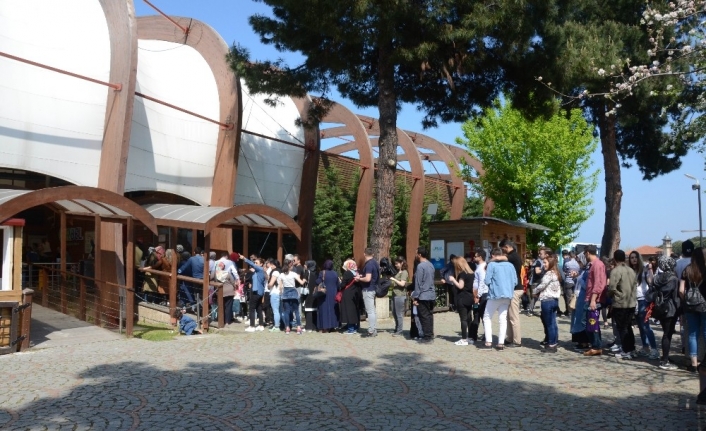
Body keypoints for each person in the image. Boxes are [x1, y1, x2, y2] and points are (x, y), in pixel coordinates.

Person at [480, 248, 517, 351]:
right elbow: (515, 281)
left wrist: (492, 285)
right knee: (503, 318)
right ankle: (501, 343)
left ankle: (488, 342)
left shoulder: (492, 265)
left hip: (495, 294)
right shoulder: (510, 265)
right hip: (507, 294)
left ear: (492, 256)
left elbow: (487, 280)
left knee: (487, 317)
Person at [650, 256, 681, 370]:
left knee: (665, 333)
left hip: (660, 308)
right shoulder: (673, 278)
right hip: (670, 309)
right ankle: (665, 361)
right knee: (667, 335)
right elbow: (675, 297)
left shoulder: (657, 278)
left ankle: (665, 356)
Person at [607, 249, 638, 359]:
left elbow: (612, 287)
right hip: (631, 302)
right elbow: (635, 286)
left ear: (615, 258)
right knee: (628, 327)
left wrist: (612, 295)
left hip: (620, 303)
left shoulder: (616, 271)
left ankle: (626, 350)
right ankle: (631, 348)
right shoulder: (631, 270)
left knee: (622, 328)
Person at [680, 247, 706, 372]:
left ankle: (693, 364)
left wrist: (686, 300)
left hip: (690, 306)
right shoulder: (705, 270)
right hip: (704, 305)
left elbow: (681, 290)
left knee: (692, 334)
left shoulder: (687, 270)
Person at [629, 251, 658, 359]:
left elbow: (651, 281)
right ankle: (645, 347)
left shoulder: (644, 269)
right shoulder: (631, 271)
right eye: (631, 258)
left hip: (643, 300)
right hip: (634, 300)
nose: (634, 259)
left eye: (635, 257)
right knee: (640, 326)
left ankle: (654, 349)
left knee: (646, 326)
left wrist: (650, 269)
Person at [534, 253, 562, 353]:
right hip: (554, 300)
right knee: (553, 323)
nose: (543, 264)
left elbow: (542, 285)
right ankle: (554, 342)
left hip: (547, 300)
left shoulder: (549, 274)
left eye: (545, 263)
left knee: (549, 324)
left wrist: (535, 291)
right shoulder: (556, 273)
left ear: (550, 263)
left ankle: (551, 344)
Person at [583, 245, 607, 357]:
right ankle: (595, 344)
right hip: (591, 298)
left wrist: (593, 300)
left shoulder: (597, 265)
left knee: (592, 323)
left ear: (587, 253)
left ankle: (596, 346)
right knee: (591, 323)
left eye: (584, 254)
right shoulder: (594, 265)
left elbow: (598, 284)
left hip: (594, 300)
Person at [499, 239, 523, 348]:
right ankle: (510, 337)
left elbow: (502, 258)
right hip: (511, 288)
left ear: (507, 246)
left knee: (514, 316)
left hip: (515, 289)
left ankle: (517, 341)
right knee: (509, 316)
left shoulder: (514, 256)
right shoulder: (513, 256)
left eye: (503, 248)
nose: (502, 251)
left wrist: (493, 259)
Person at [447, 256, 475, 346]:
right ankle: (471, 337)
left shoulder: (462, 274)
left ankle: (463, 339)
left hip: (462, 298)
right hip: (470, 297)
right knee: (469, 318)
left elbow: (460, 286)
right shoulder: (471, 273)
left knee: (463, 319)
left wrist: (453, 280)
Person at [412, 247, 436, 344]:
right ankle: (430, 334)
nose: (416, 255)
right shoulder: (431, 265)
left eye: (416, 253)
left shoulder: (420, 266)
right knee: (430, 316)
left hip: (423, 295)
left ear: (420, 255)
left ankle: (427, 337)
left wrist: (415, 296)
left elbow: (418, 283)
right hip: (431, 294)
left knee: (424, 316)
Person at [277, 258, 307, 335]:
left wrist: (281, 293)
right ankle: (298, 327)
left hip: (285, 292)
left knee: (286, 311)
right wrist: (305, 279)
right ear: (290, 265)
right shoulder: (293, 274)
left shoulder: (281, 275)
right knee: (296, 311)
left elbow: (280, 287)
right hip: (293, 292)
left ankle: (287, 328)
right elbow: (301, 282)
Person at [356, 248, 380, 337]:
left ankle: (371, 330)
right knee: (373, 311)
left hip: (368, 289)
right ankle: (374, 329)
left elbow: (368, 278)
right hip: (372, 288)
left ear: (364, 254)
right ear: (373, 254)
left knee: (370, 311)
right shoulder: (375, 263)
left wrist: (359, 278)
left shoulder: (369, 265)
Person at [241, 256, 266, 332]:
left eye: (257, 263)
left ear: (261, 264)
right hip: (257, 291)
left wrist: (244, 259)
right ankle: (261, 325)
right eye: (255, 262)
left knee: (251, 308)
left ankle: (252, 326)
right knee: (258, 308)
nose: (255, 264)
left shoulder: (260, 269)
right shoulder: (257, 271)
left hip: (257, 292)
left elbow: (252, 265)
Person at [469, 250, 489, 344]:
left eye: (476, 256)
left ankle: (479, 335)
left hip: (482, 295)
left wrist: (478, 296)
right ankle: (476, 335)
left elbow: (482, 282)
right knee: (479, 315)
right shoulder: (479, 267)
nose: (474, 258)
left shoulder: (482, 268)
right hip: (479, 294)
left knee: (480, 315)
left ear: (480, 257)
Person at [315, 260, 340, 332]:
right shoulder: (335, 273)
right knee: (333, 309)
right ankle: (333, 326)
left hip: (324, 293)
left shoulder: (322, 272)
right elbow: (338, 284)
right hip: (333, 293)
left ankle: (324, 327)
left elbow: (317, 282)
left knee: (324, 310)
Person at [339, 259, 361, 334]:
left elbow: (343, 284)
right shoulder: (356, 272)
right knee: (354, 310)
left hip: (348, 294)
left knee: (349, 311)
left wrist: (340, 283)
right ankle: (355, 327)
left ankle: (351, 329)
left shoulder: (347, 273)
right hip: (355, 293)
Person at [389, 256, 409, 336]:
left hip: (400, 295)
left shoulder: (404, 272)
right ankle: (397, 327)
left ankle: (400, 331)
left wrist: (394, 279)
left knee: (399, 313)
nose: (396, 265)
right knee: (394, 312)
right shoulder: (397, 272)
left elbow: (402, 284)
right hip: (394, 294)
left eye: (397, 263)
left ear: (402, 263)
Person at [528, 248, 548, 316]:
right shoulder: (538, 262)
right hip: (536, 282)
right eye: (540, 253)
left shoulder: (542, 261)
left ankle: (535, 310)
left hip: (539, 281)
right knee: (535, 297)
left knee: (539, 297)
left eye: (542, 253)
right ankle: (530, 310)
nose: (540, 255)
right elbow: (537, 271)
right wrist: (544, 269)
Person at [561, 250, 580, 317]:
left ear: (569, 256)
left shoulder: (567, 264)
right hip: (575, 281)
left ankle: (569, 312)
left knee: (568, 297)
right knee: (574, 296)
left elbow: (564, 271)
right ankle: (574, 309)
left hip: (568, 281)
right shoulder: (577, 264)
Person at [303, 260, 319, 332]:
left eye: (306, 264)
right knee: (314, 309)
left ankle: (308, 326)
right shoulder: (317, 272)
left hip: (308, 292)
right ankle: (314, 325)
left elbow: (304, 282)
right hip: (315, 292)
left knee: (308, 309)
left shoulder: (307, 272)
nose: (304, 265)